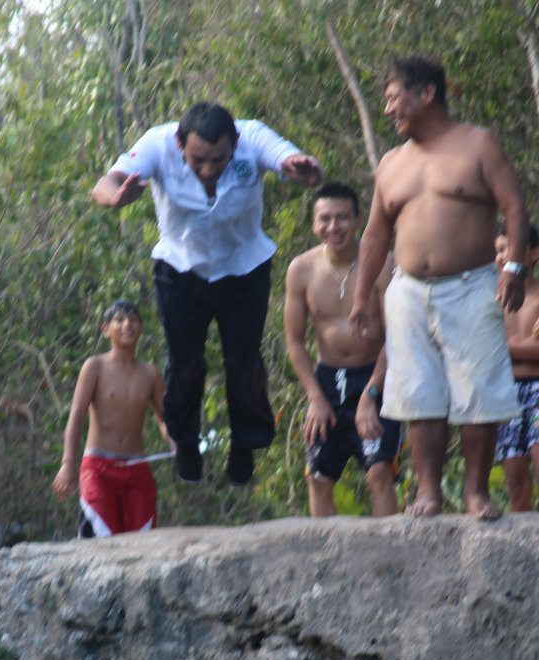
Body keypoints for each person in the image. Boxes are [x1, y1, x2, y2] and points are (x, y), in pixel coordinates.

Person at [92, 102, 322, 486]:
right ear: (180, 143)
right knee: (185, 362)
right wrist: (114, 196)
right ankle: (184, 440)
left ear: (234, 142)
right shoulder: (157, 142)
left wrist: (301, 167)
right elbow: (105, 183)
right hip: (181, 269)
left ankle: (245, 443)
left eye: (218, 159)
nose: (208, 169)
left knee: (243, 359)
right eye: (198, 159)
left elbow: (287, 156)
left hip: (244, 267)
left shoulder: (252, 137)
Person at [349, 55, 528, 520]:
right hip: (408, 290)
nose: (388, 110)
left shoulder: (478, 145)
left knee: (478, 394)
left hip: (470, 284)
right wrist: (362, 294)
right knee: (418, 393)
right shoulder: (391, 163)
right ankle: (427, 491)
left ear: (426, 93)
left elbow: (513, 207)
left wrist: (513, 268)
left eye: (394, 98)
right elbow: (374, 234)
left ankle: (476, 494)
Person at [285, 182, 400, 517]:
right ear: (313, 223)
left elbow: (396, 335)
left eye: (342, 218)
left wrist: (370, 394)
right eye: (325, 219)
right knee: (319, 476)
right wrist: (315, 397)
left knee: (379, 470)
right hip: (327, 380)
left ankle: (391, 559)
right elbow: (294, 339)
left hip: (377, 375)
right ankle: (324, 561)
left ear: (358, 219)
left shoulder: (382, 262)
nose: (333, 227)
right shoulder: (301, 270)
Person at [52, 300, 171, 537]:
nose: (127, 325)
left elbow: (164, 420)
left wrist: (179, 444)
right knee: (101, 542)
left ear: (141, 327)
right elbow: (76, 416)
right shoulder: (94, 367)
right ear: (105, 329)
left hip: (137, 469)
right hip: (98, 469)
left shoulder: (150, 373)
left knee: (144, 542)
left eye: (133, 320)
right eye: (119, 320)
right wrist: (67, 464)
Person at [494, 224, 539, 510]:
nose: (502, 257)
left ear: (533, 253)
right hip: (504, 391)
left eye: (508, 249)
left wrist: (501, 346)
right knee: (515, 478)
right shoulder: (490, 299)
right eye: (498, 250)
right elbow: (480, 351)